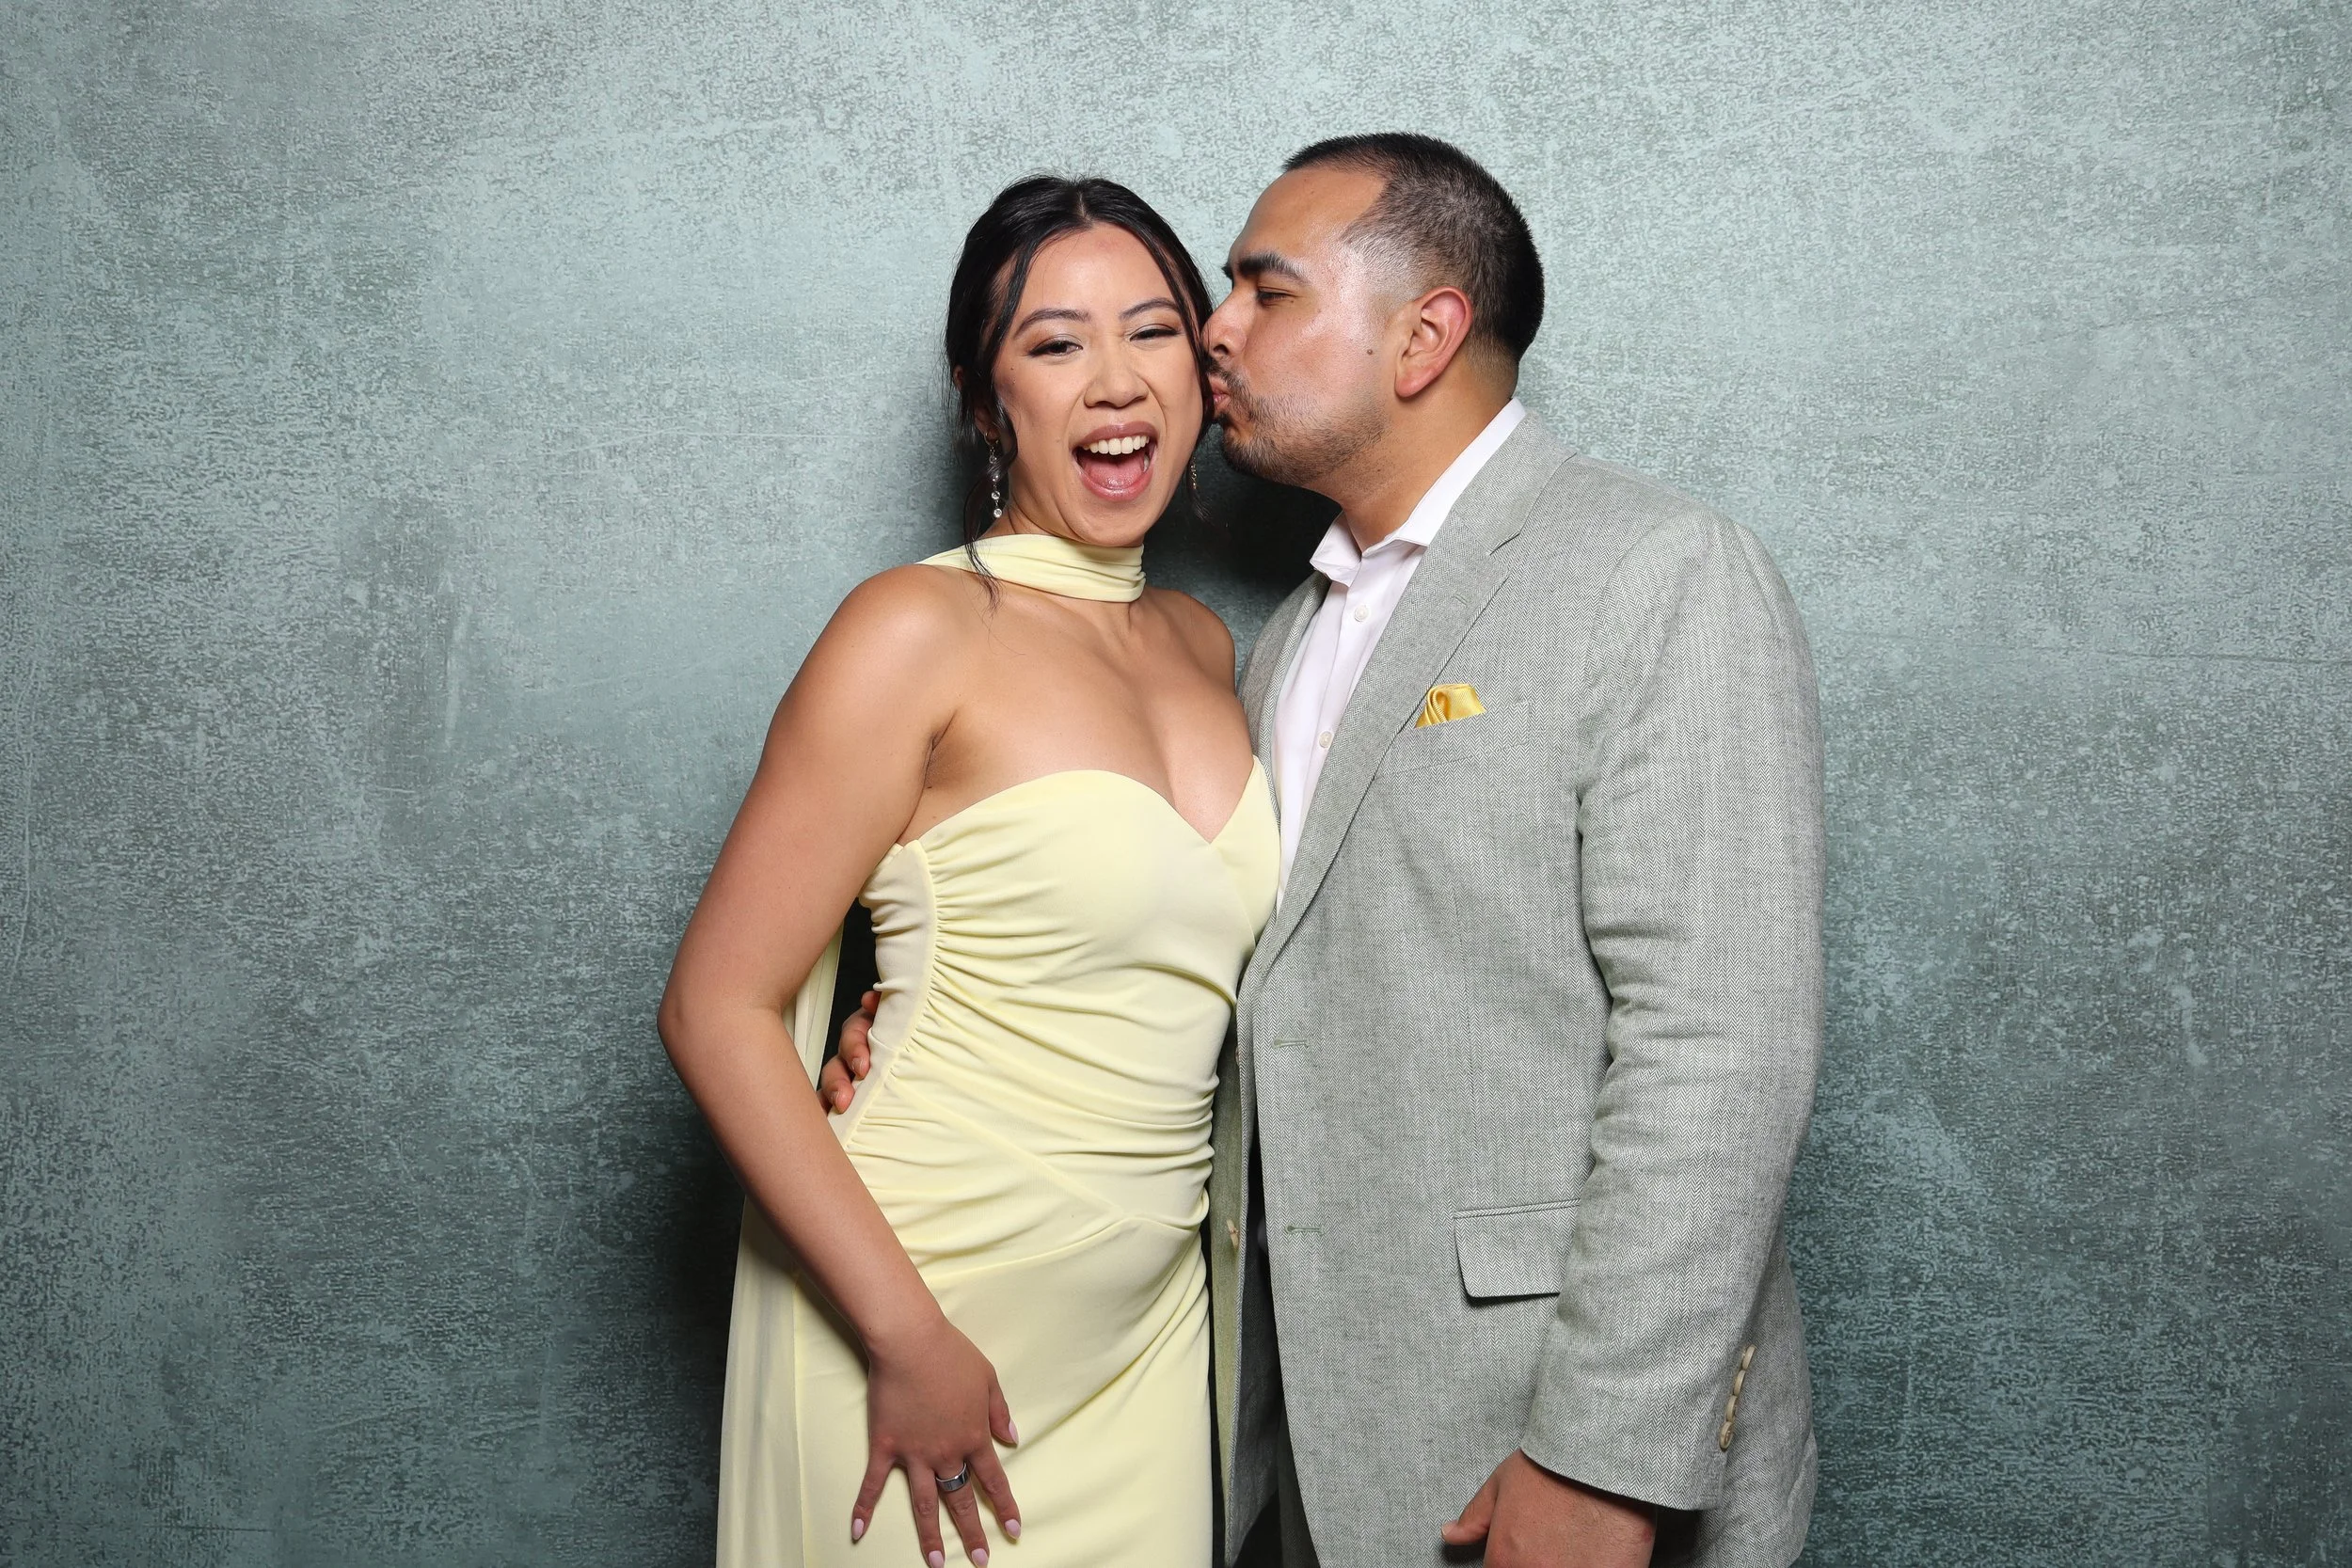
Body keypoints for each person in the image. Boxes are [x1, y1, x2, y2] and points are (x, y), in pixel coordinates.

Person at [831, 134, 1824, 1568]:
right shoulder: (1271, 645)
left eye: (1261, 292)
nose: (1210, 335)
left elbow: (1723, 1047)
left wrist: (1605, 1460)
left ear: (1423, 335)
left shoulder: (1657, 573)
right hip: (1290, 1448)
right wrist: (921, 1023)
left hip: (1543, 1443)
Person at [660, 175, 1279, 1568]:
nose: (1115, 383)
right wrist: (907, 1333)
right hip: (922, 1335)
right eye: (1054, 346)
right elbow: (715, 1007)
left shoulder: (1207, 645)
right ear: (984, 398)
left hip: (1150, 1353)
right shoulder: (915, 626)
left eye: (1155, 332)